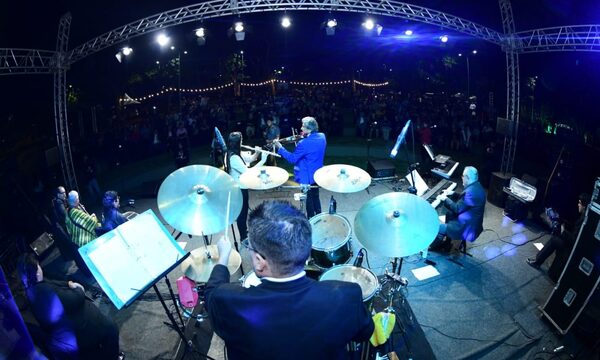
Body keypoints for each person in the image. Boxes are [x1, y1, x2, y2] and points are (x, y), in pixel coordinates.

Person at [205, 201, 374, 360]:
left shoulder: (229, 302)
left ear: (259, 261)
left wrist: (223, 258)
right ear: (307, 251)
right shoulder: (345, 296)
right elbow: (366, 333)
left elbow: (212, 291)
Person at [18, 253, 122, 360]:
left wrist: (68, 284)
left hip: (69, 325)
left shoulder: (31, 289)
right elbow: (75, 298)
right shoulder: (44, 291)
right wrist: (78, 289)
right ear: (36, 272)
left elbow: (59, 283)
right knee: (112, 328)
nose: (40, 268)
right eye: (38, 266)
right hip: (78, 331)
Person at [273, 116, 326, 218]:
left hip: (307, 177)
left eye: (303, 126)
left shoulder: (303, 143)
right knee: (316, 197)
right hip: (317, 174)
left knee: (308, 201)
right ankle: (319, 219)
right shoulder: (322, 137)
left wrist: (280, 148)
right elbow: (311, 150)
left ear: (309, 128)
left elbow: (292, 159)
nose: (301, 128)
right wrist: (306, 137)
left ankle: (311, 220)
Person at [527, 193, 591, 268]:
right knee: (556, 233)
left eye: (580, 203)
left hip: (573, 249)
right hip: (571, 243)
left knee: (554, 240)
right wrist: (562, 221)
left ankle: (537, 262)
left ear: (584, 206)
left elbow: (575, 240)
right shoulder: (584, 217)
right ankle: (543, 261)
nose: (578, 205)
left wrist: (563, 231)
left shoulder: (584, 220)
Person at [224, 132, 267, 240]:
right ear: (238, 143)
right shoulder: (233, 158)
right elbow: (248, 173)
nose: (242, 142)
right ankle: (243, 237)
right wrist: (263, 160)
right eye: (241, 141)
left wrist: (257, 153)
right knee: (242, 214)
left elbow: (251, 159)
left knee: (243, 212)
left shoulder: (236, 153)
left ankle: (245, 234)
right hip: (238, 189)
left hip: (241, 187)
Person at [436, 166, 486, 250]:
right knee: (449, 214)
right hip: (472, 223)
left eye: (462, 176)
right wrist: (452, 193)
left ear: (467, 178)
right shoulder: (477, 186)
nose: (462, 178)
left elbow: (457, 208)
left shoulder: (470, 192)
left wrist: (445, 199)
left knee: (438, 228)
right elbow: (466, 200)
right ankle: (447, 244)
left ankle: (435, 248)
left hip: (467, 228)